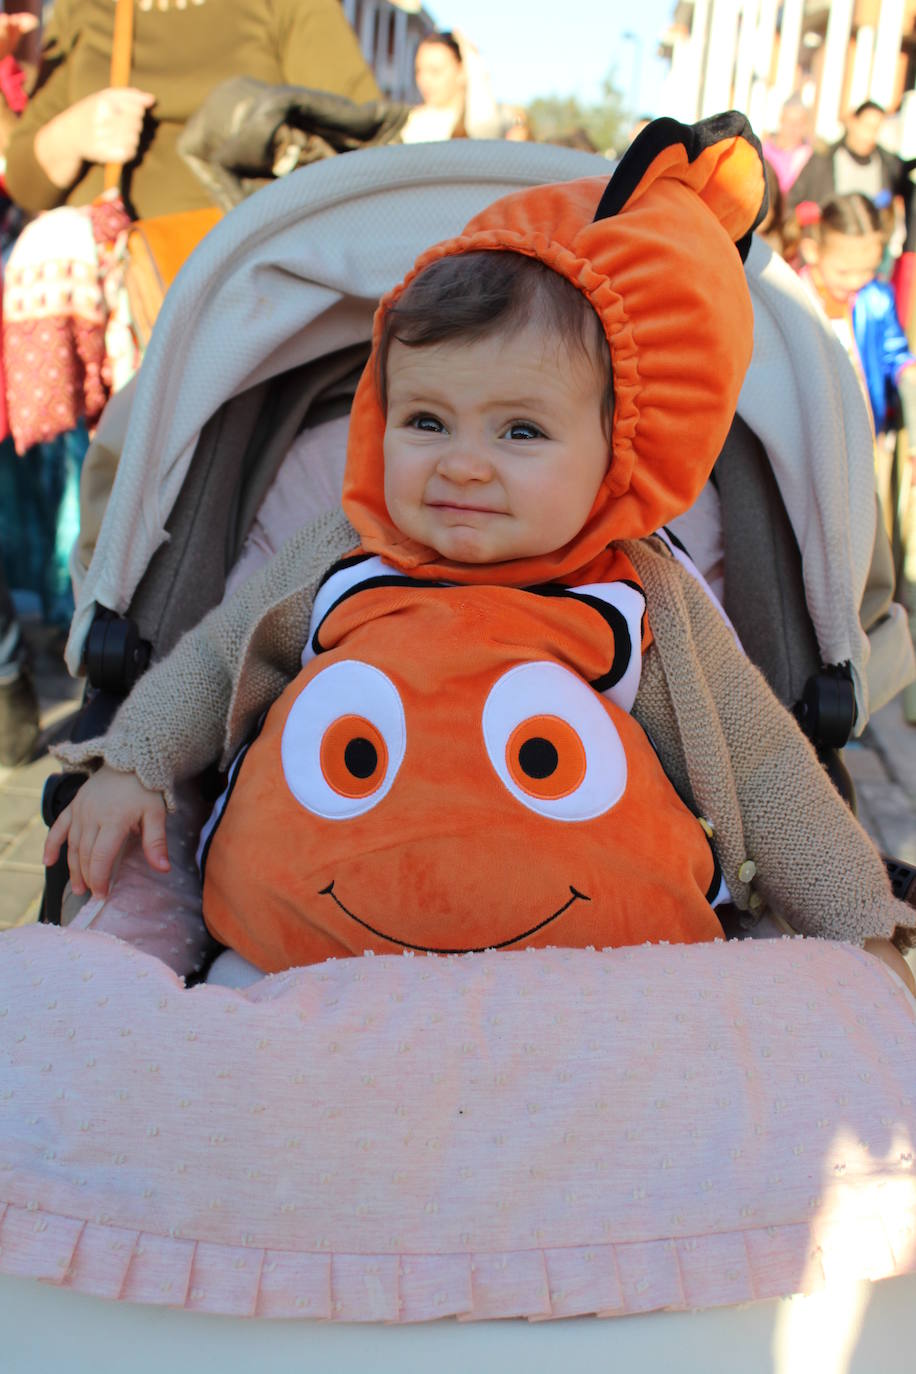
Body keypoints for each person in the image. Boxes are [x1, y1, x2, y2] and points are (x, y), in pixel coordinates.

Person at [44, 114, 915, 991]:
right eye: (426, 422)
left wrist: (861, 929)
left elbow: (765, 768)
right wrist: (135, 764)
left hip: (603, 990)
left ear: (615, 450)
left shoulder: (643, 598)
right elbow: (213, 660)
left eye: (521, 431)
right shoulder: (345, 552)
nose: (462, 462)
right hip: (291, 966)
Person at [4, 0, 380, 219]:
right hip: (112, 309)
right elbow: (25, 181)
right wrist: (73, 134)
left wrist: (273, 137)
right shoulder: (87, 7)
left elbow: (366, 142)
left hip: (248, 289)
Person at [788, 100, 906, 213]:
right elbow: (792, 202)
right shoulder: (823, 159)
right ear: (852, 122)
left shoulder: (888, 166)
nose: (869, 136)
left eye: (876, 129)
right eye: (866, 126)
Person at [400, 29, 501, 144]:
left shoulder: (480, 125)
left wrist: (471, 54)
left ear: (462, 71)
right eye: (418, 71)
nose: (423, 80)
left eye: (435, 71)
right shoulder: (410, 124)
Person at [762, 97, 812, 197]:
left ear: (805, 125)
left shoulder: (810, 158)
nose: (793, 128)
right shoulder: (764, 152)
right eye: (789, 121)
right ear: (781, 120)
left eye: (799, 123)